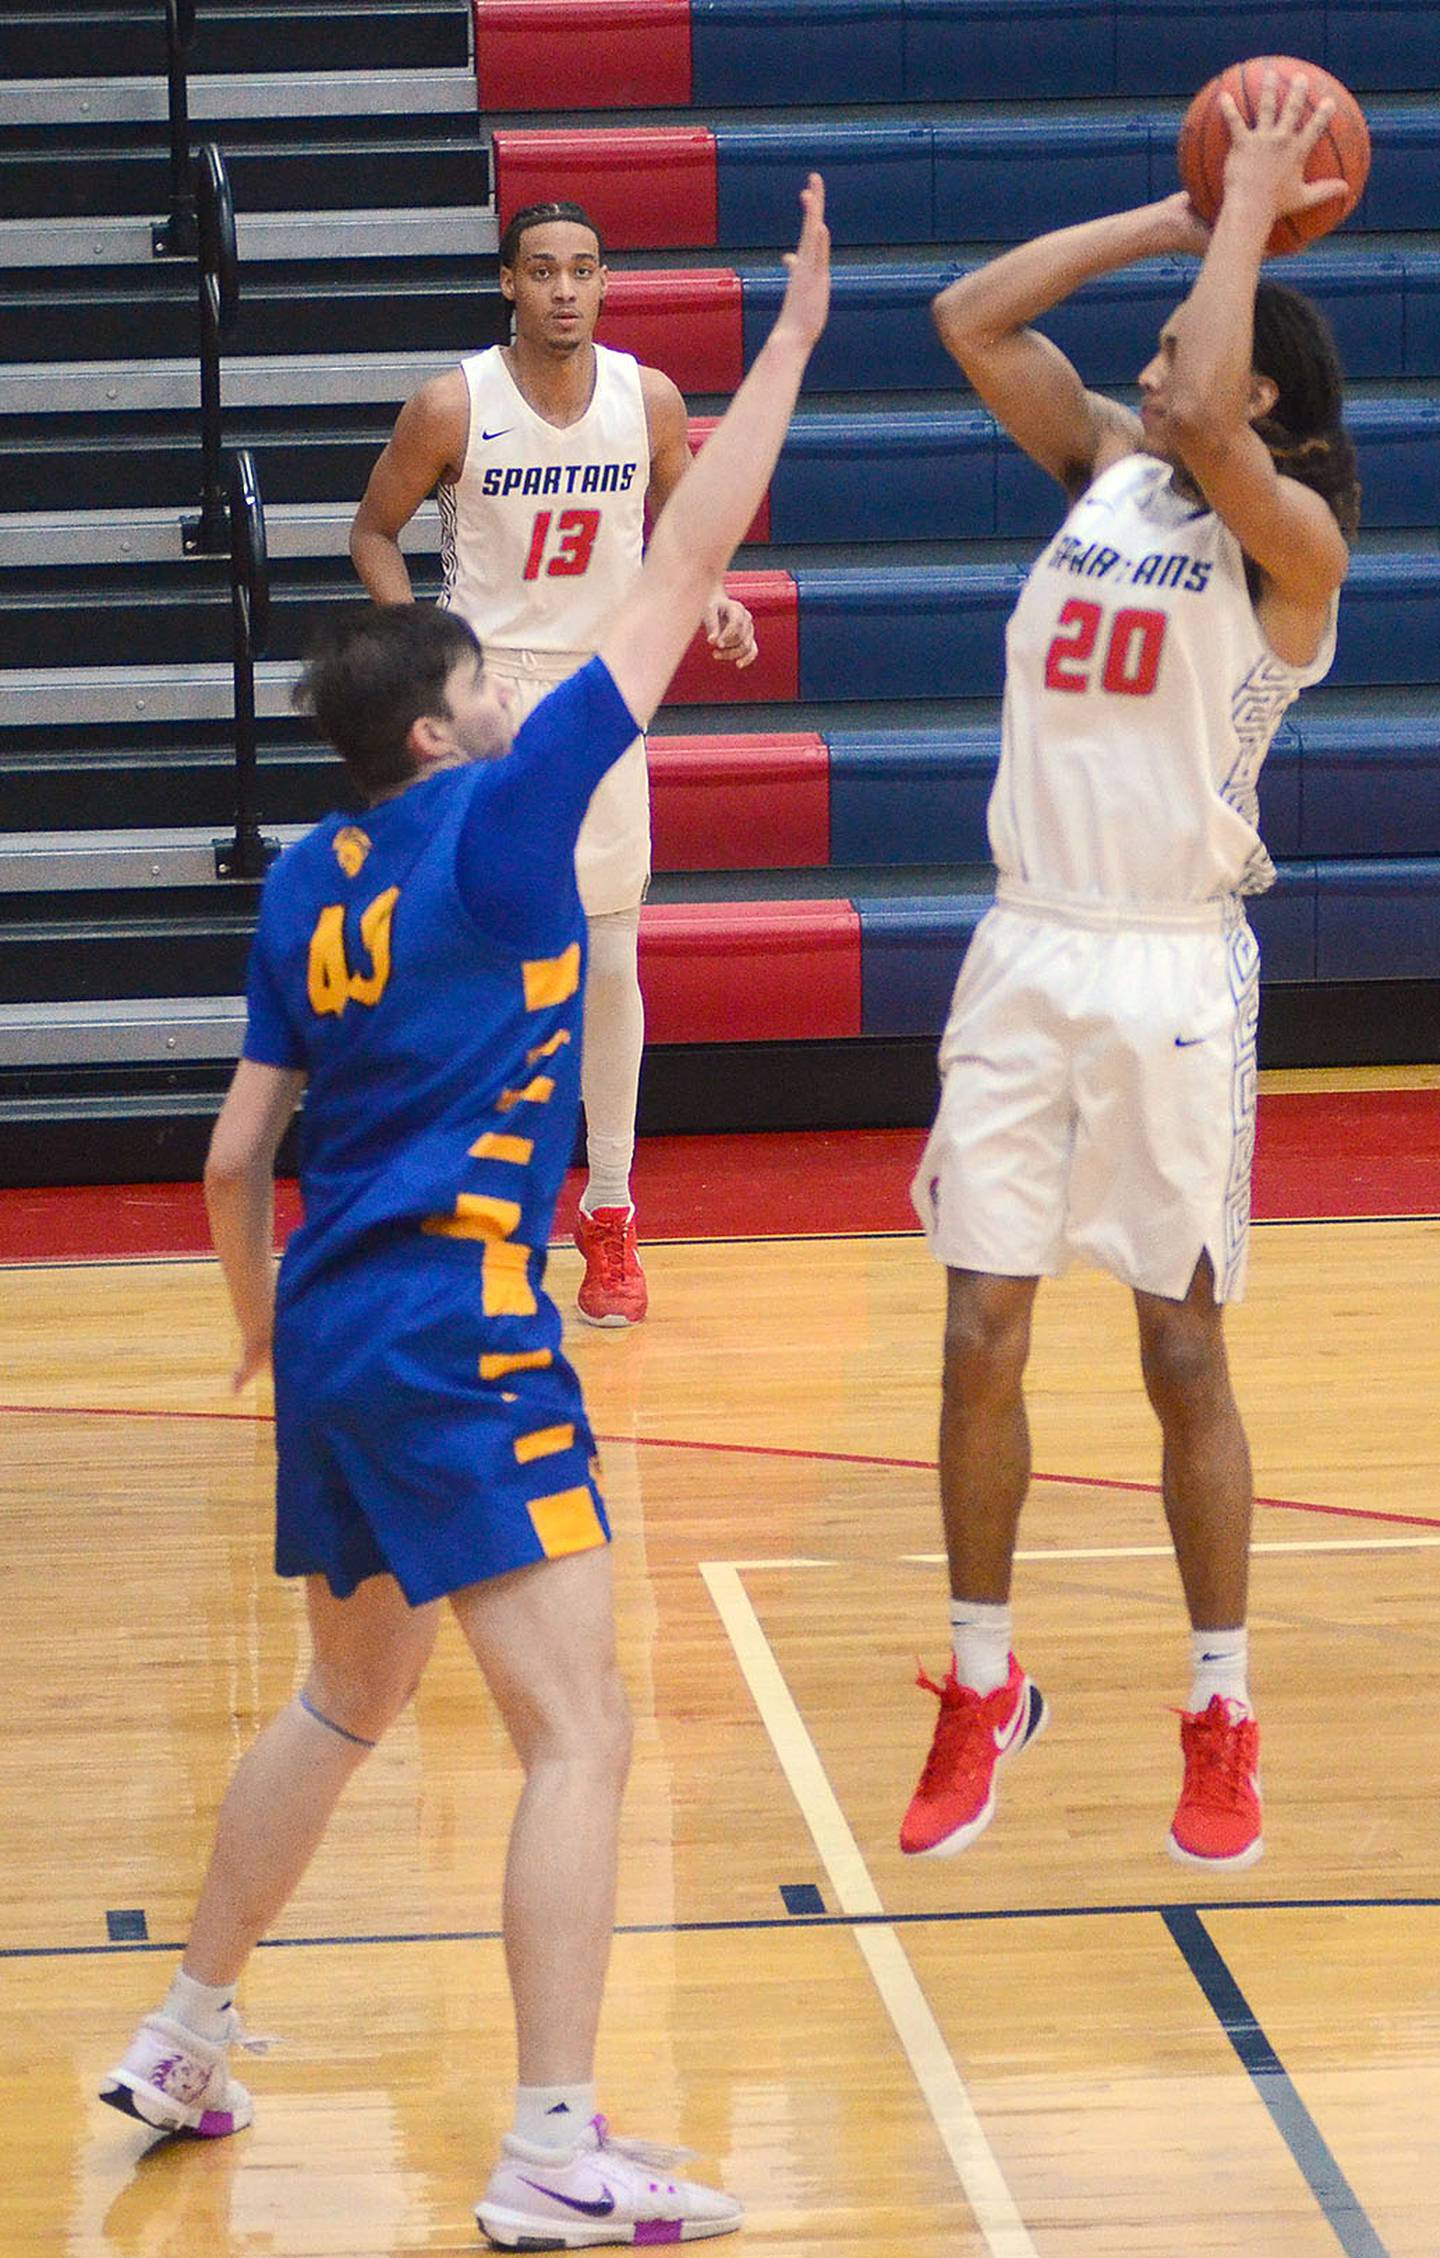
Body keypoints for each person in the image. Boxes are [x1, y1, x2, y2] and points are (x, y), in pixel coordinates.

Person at [100, 177, 830, 2249]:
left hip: (333, 1320)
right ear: (442, 730)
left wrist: (255, 1332)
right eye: (488, 692)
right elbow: (690, 551)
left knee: (347, 1698)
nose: (522, 704)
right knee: (580, 1730)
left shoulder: (301, 881)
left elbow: (234, 1157)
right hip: (456, 1321)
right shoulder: (511, 825)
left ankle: (186, 2031)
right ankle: (546, 2145)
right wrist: (784, 342)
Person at [900, 76, 1357, 1871]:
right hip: (1026, 939)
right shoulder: (1104, 464)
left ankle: (1223, 1703)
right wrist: (1183, 218)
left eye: (1189, 349)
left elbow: (1235, 453)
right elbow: (969, 316)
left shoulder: (1293, 548)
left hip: (1172, 965)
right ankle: (979, 1679)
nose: (1157, 365)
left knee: (1179, 1351)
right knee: (976, 1329)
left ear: (1258, 388)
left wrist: (1253, 214)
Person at [349, 199, 759, 1328]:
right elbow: (370, 531)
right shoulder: (450, 404)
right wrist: (425, 649)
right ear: (510, 285)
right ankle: (457, 1214)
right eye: (543, 271)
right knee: (472, 966)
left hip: (600, 690)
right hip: (484, 697)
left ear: (606, 282)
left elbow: (686, 540)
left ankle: (613, 1212)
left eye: (584, 269)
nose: (565, 289)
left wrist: (713, 596)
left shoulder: (652, 401)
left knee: (613, 967)